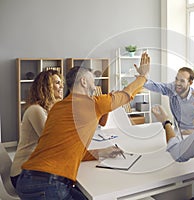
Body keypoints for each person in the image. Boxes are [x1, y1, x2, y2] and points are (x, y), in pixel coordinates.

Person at [15, 53, 150, 199]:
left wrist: (101, 152)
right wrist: (143, 76)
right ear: (84, 81)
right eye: (93, 79)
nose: (96, 83)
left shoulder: (57, 107)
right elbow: (126, 94)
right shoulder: (91, 104)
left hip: (29, 179)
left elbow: (66, 148)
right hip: (48, 183)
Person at [10, 69, 63, 188]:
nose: (61, 86)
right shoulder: (36, 110)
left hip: (35, 169)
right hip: (22, 174)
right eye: (57, 83)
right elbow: (51, 141)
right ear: (46, 87)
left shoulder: (46, 110)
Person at [143, 67, 194, 135]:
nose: (177, 83)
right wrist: (144, 76)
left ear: (190, 83)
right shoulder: (172, 89)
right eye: (176, 79)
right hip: (176, 133)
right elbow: (156, 86)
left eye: (182, 81)